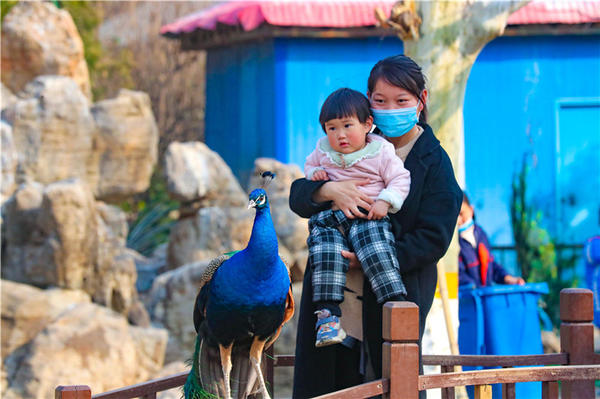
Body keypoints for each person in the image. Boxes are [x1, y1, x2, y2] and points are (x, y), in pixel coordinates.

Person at [290, 55, 463, 399]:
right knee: (326, 384)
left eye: (401, 101)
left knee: (389, 383)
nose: (390, 109)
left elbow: (434, 238)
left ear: (421, 100)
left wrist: (368, 258)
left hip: (389, 297)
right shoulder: (351, 141)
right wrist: (328, 190)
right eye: (380, 101)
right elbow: (299, 195)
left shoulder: (435, 162)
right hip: (332, 295)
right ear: (368, 104)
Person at [304, 88, 411, 347]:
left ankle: (395, 305)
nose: (339, 135)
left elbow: (400, 178)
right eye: (331, 128)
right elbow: (307, 167)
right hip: (331, 217)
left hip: (367, 215)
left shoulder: (380, 150)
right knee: (325, 253)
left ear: (367, 124)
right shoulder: (323, 150)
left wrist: (385, 201)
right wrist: (316, 174)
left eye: (347, 126)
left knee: (376, 250)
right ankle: (327, 318)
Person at [458, 192, 525, 287]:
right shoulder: (454, 243)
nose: (458, 220)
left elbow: (490, 265)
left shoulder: (481, 235)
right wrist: (472, 287)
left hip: (484, 297)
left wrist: (508, 278)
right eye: (455, 216)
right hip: (468, 299)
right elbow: (458, 274)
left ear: (471, 210)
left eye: (461, 214)